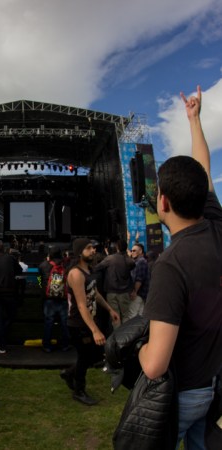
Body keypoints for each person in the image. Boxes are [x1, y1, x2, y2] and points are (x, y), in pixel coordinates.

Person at [138, 86, 222, 448]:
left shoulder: (170, 265)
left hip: (185, 393)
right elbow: (204, 169)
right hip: (216, 383)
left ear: (163, 202)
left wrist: (136, 348)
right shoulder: (216, 226)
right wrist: (193, 120)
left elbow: (155, 365)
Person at [61, 238, 119, 405]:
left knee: (92, 356)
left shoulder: (87, 270)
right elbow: (81, 305)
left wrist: (109, 309)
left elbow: (95, 293)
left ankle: (69, 374)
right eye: (88, 248)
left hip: (87, 322)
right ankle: (79, 390)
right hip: (78, 324)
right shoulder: (76, 274)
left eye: (93, 247)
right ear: (79, 252)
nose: (93, 250)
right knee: (85, 356)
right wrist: (95, 330)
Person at [0, 243, 22, 353]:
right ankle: (0, 339)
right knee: (10, 316)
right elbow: (19, 270)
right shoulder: (11, 258)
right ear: (4, 250)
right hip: (10, 292)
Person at [93, 239, 135, 326]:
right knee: (126, 315)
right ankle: (126, 333)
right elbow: (132, 264)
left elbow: (97, 268)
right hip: (124, 292)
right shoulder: (129, 260)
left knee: (115, 316)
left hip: (111, 291)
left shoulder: (110, 259)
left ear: (117, 247)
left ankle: (117, 333)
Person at [38, 246, 70, 352]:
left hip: (49, 298)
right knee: (64, 322)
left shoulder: (43, 265)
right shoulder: (66, 265)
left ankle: (47, 345)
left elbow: (39, 278)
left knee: (49, 322)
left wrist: (41, 288)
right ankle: (65, 345)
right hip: (63, 298)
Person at [126, 243, 149, 320]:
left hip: (138, 294)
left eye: (134, 250)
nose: (132, 252)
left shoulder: (141, 261)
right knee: (139, 317)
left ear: (140, 251)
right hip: (140, 294)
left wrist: (135, 291)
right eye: (131, 251)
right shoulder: (138, 261)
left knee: (132, 315)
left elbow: (139, 279)